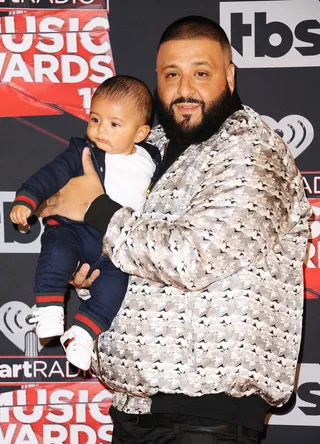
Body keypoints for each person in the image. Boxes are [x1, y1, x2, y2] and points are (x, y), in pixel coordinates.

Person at [40, 16, 311, 444]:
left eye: (201, 73)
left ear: (229, 75)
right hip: (136, 406)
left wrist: (95, 210)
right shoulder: (149, 148)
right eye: (171, 75)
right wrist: (90, 271)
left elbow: (192, 258)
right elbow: (135, 256)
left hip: (206, 416)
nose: (185, 89)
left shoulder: (253, 152)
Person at [10, 75, 160, 372]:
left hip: (116, 250)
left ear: (141, 133)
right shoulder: (83, 151)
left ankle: (82, 334)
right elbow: (50, 174)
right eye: (95, 119)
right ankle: (49, 308)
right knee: (58, 256)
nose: (101, 130)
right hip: (74, 231)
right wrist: (26, 199)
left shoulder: (154, 160)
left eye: (114, 124)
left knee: (114, 290)